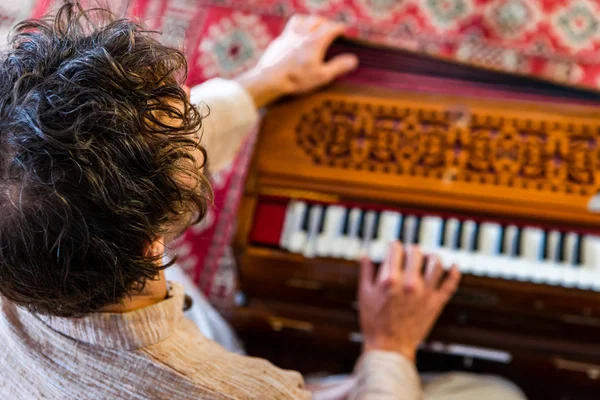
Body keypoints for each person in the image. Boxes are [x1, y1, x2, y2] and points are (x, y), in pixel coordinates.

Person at [0, 3, 526, 399]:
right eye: (186, 117)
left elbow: (81, 166)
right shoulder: (237, 391)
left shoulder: (26, 220)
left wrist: (257, 85)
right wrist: (391, 346)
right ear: (150, 241)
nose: (192, 108)